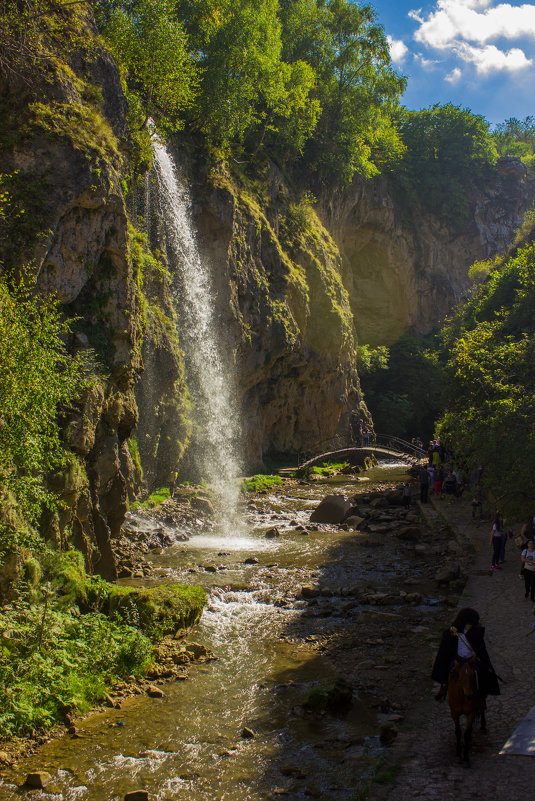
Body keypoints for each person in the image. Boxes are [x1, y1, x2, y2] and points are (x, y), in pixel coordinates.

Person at [432, 607, 500, 701]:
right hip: (458, 658)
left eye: (471, 624)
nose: (470, 626)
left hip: (471, 659)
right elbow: (447, 646)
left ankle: (482, 694)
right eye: (468, 624)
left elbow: (479, 647)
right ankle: (443, 687)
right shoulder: (453, 631)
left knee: (483, 672)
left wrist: (476, 653)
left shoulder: (477, 632)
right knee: (446, 668)